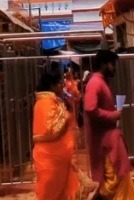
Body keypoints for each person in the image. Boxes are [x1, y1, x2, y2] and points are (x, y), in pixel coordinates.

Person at [83, 49, 134, 200]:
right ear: (103, 64)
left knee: (117, 179)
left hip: (109, 139)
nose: (115, 68)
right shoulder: (95, 83)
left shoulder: (99, 82)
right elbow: (90, 108)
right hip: (106, 142)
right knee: (113, 182)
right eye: (112, 64)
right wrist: (113, 115)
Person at [32, 62, 83, 200]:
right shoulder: (45, 103)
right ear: (52, 85)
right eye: (60, 83)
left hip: (58, 158)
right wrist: (66, 116)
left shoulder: (53, 101)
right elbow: (52, 130)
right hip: (50, 158)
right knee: (49, 192)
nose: (62, 86)